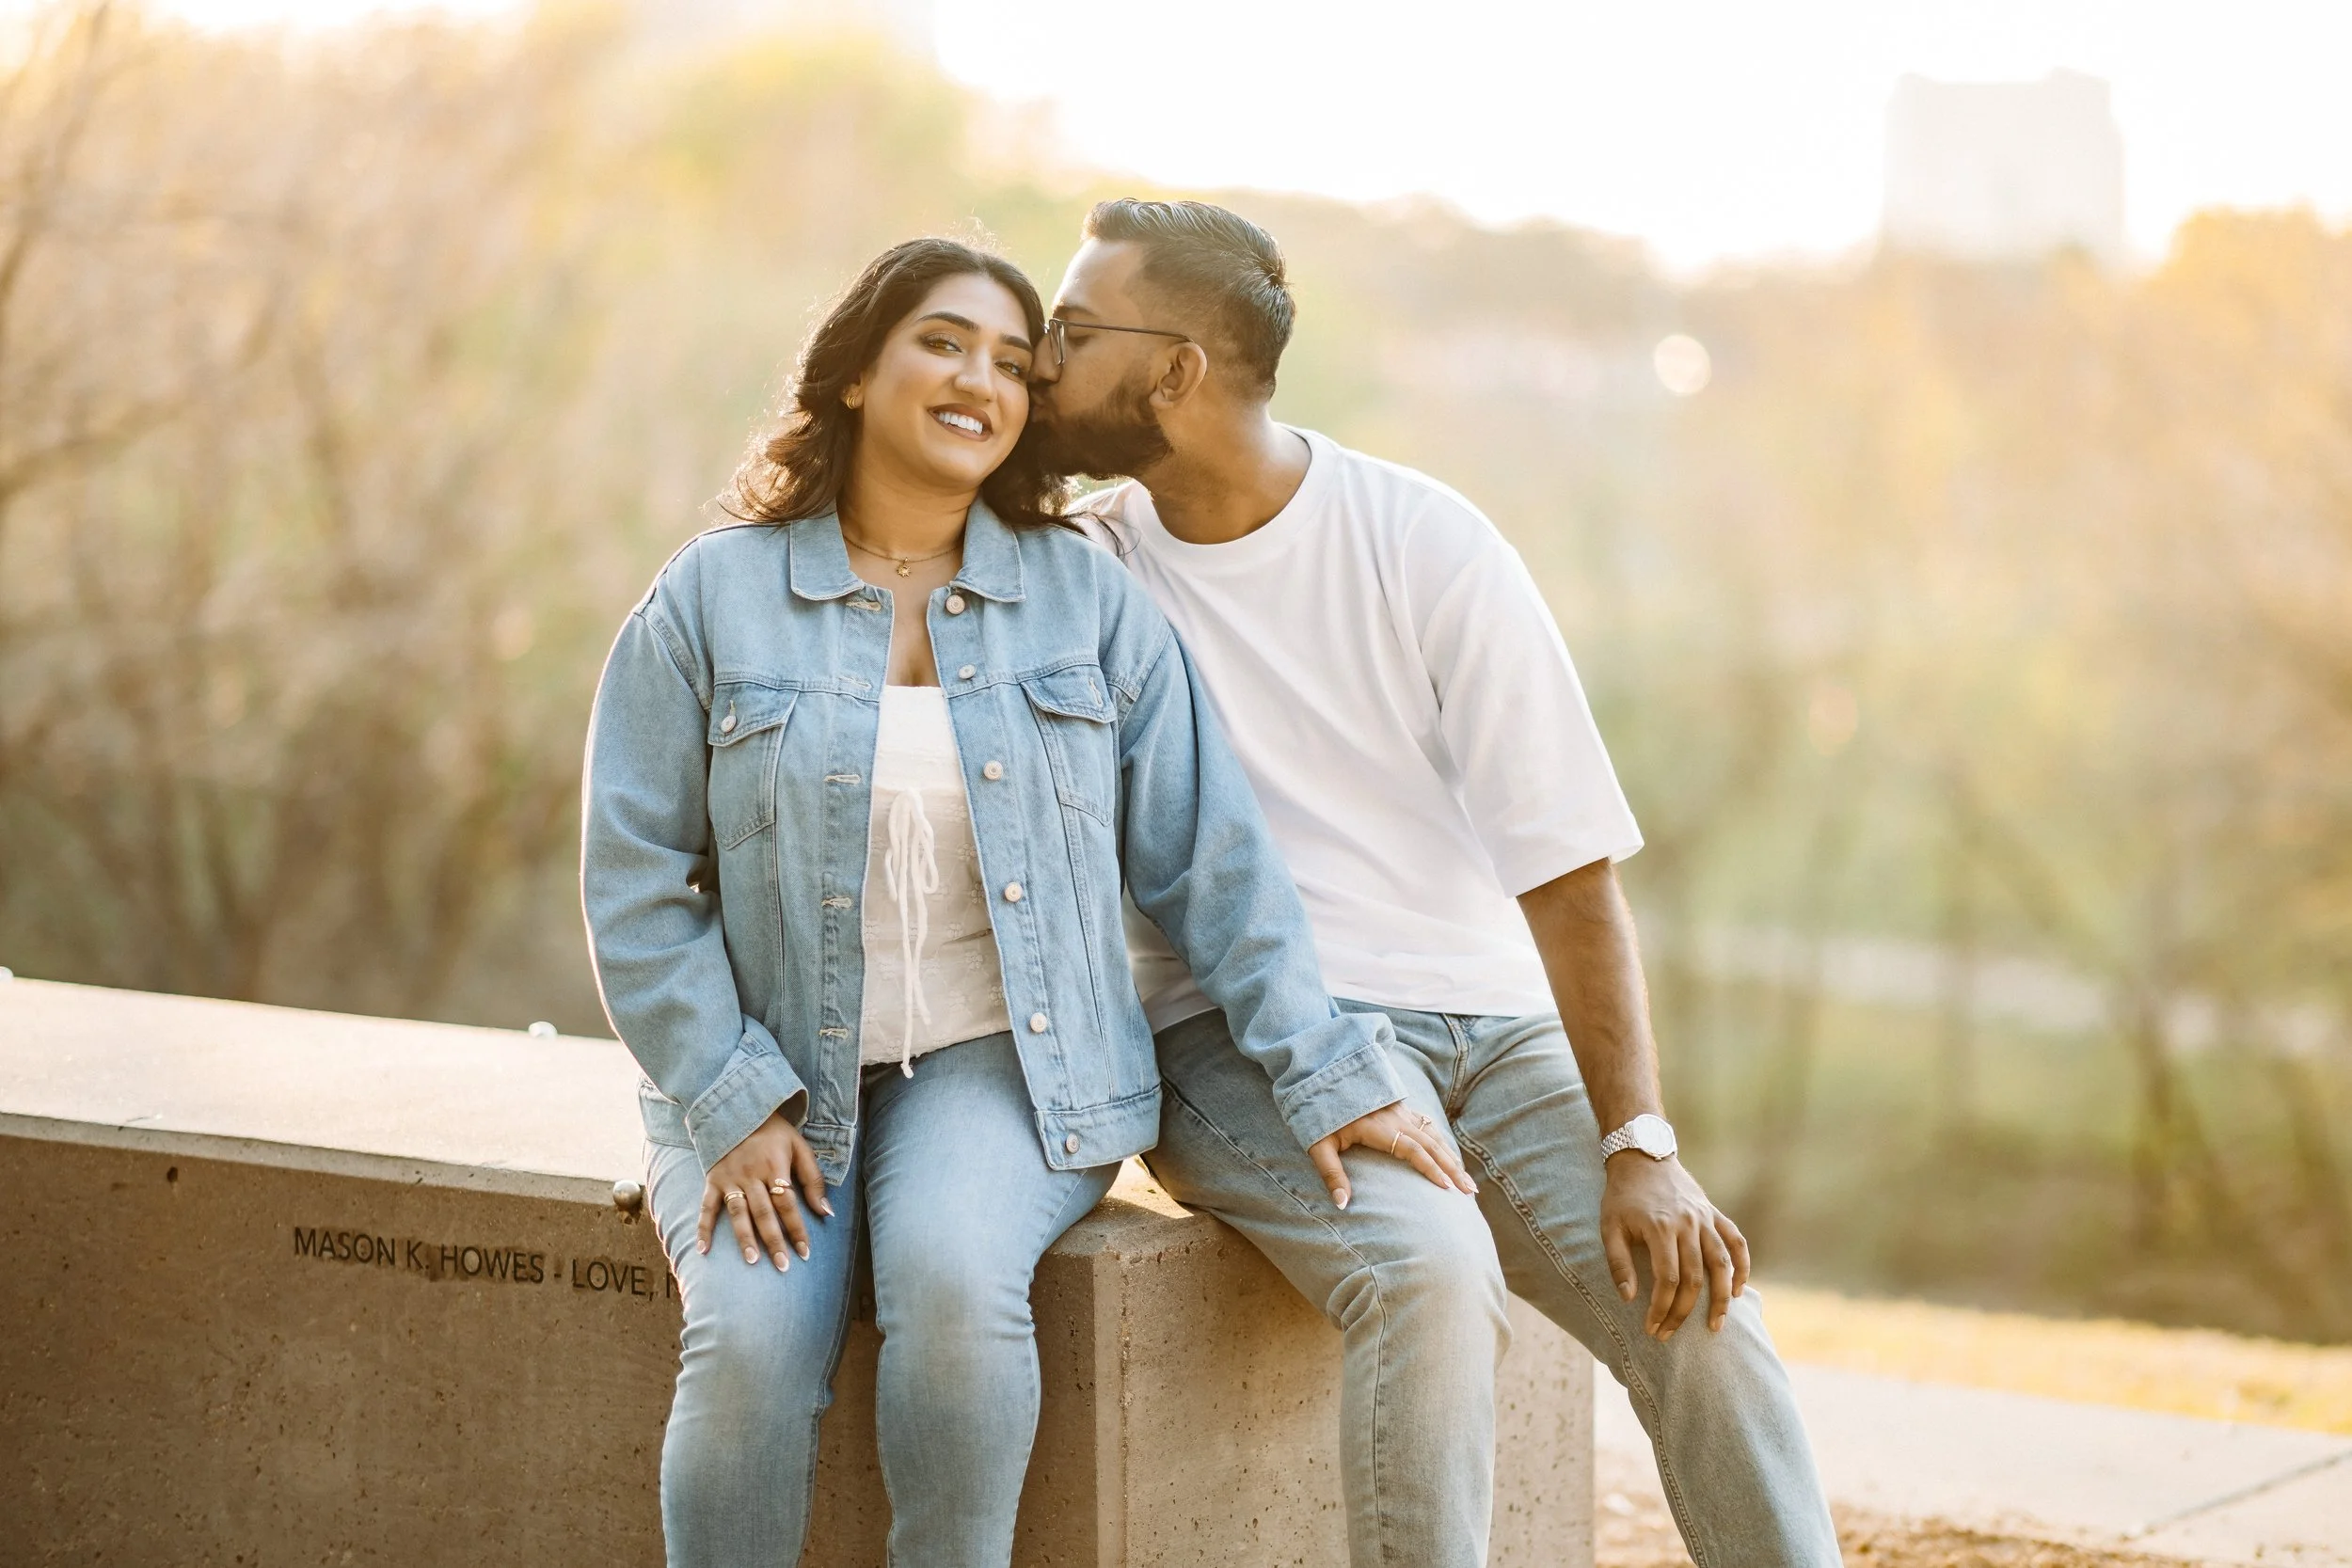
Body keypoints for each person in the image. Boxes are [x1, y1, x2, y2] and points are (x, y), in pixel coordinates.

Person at [579, 236, 1460, 1568]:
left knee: (950, 1277)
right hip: (763, 1068)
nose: (977, 379)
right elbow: (635, 879)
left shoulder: (1086, 602)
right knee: (753, 1342)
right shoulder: (716, 595)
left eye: (1008, 360)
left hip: (1008, 1064)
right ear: (859, 374)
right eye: (941, 341)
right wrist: (730, 1096)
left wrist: (1333, 1072)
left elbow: (1210, 861)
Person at [1028, 199, 1845, 1568]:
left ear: (1174, 369)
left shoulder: (1424, 540)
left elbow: (1569, 870)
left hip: (1495, 1031)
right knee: (1429, 1271)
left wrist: (1641, 1145)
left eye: (1069, 331)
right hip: (1239, 1039)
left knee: (1699, 1307)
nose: (1038, 361)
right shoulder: (1092, 570)